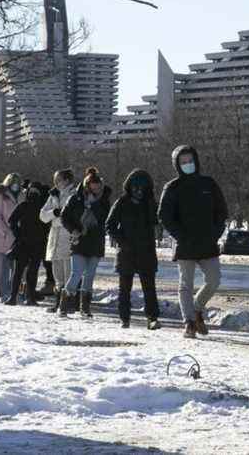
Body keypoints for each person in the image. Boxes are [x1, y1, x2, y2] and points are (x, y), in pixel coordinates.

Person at [159, 145, 228, 339]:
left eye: (190, 160)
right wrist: (180, 235)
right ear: (177, 165)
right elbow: (164, 215)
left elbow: (221, 211)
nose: (187, 164)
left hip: (208, 243)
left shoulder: (209, 184)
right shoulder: (172, 187)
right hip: (185, 244)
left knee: (214, 280)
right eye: (183, 162)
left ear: (196, 161)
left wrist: (216, 233)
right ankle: (189, 322)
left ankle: (197, 309)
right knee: (185, 285)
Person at [106, 169, 161, 330]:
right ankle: (124, 319)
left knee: (149, 288)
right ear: (129, 187)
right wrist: (122, 241)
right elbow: (110, 225)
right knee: (124, 288)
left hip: (146, 251)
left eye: (142, 188)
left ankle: (152, 318)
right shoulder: (122, 202)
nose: (138, 191)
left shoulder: (150, 203)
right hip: (126, 252)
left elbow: (158, 221)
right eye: (135, 187)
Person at [60, 167, 111, 318]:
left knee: (90, 275)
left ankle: (85, 308)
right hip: (79, 240)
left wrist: (94, 205)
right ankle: (64, 304)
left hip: (95, 241)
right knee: (76, 273)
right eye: (93, 184)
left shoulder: (104, 200)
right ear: (87, 184)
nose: (96, 187)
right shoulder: (75, 198)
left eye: (98, 184)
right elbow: (64, 217)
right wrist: (73, 229)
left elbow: (105, 218)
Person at [40, 169, 77, 314]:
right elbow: (42, 216)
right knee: (57, 272)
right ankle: (58, 302)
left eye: (59, 179)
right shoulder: (53, 195)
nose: (56, 183)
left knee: (68, 270)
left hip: (67, 234)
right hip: (54, 234)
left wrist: (59, 215)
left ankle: (69, 303)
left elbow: (70, 215)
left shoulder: (73, 194)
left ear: (67, 180)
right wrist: (53, 213)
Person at [6, 182, 48, 306]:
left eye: (35, 191)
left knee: (28, 271)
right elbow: (12, 221)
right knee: (22, 271)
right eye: (32, 191)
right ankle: (16, 297)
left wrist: (18, 233)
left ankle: (26, 297)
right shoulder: (26, 205)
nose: (33, 194)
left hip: (34, 243)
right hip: (26, 242)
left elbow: (12, 221)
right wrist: (18, 234)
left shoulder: (40, 207)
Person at [0, 173, 23, 302]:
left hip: (19, 237)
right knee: (4, 269)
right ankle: (5, 293)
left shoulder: (22, 195)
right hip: (5, 236)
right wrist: (5, 230)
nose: (15, 184)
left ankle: (14, 294)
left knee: (18, 269)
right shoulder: (0, 197)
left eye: (17, 182)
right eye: (13, 182)